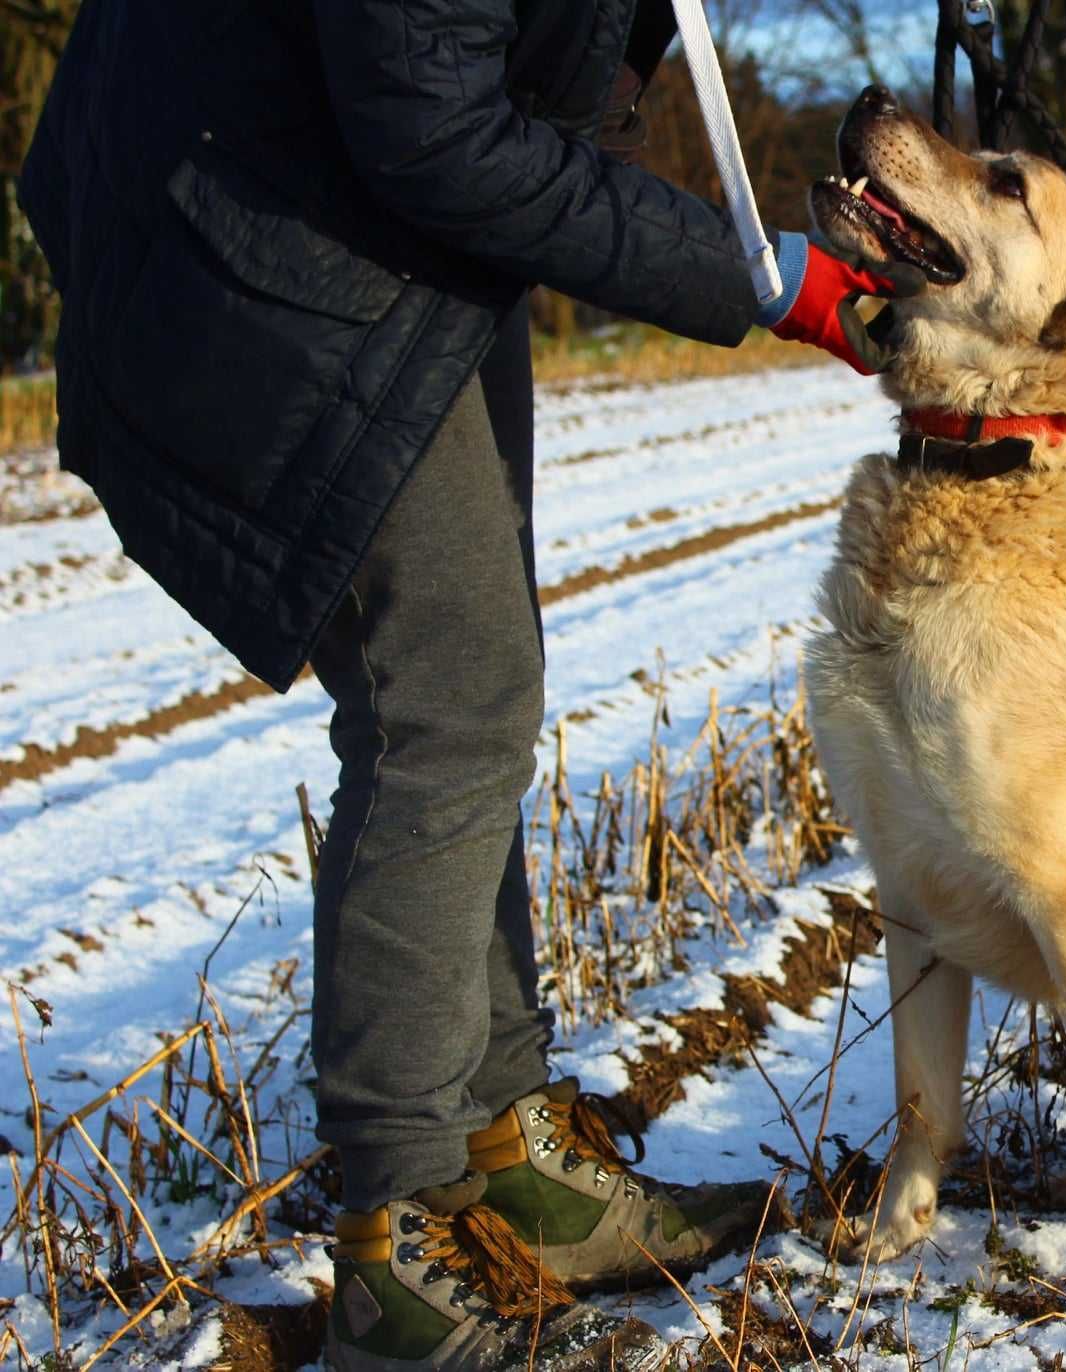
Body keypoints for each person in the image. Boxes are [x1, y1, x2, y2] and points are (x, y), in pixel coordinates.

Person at [19, 1, 919, 1367]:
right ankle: (396, 1243)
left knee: (478, 688)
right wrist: (754, 272)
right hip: (266, 230)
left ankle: (509, 1160)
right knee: (441, 707)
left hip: (372, 218)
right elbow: (432, 128)